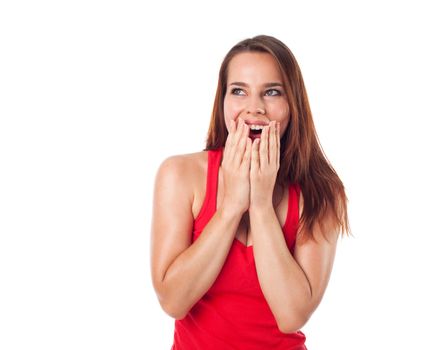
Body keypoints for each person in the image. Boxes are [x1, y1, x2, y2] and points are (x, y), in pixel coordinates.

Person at [150, 34, 350, 350]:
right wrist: (231, 206)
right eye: (239, 91)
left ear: (292, 104)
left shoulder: (321, 192)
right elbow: (173, 301)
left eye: (272, 92)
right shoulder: (179, 175)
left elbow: (291, 315)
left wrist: (259, 204)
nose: (254, 108)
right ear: (223, 102)